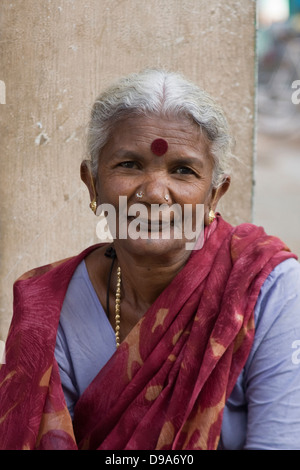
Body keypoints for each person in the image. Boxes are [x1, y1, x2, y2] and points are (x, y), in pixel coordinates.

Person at [0, 69, 300, 450]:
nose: (155, 194)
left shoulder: (268, 289)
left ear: (215, 195)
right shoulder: (49, 307)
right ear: (91, 182)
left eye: (183, 170)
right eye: (129, 165)